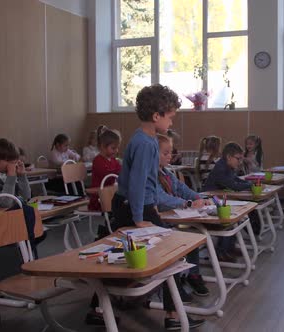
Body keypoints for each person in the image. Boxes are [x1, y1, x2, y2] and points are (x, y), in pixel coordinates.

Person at [110, 84, 205, 330]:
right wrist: (140, 217)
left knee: (148, 255)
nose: (172, 123)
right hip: (135, 206)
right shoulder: (145, 143)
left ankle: (101, 308)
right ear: (156, 116)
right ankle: (173, 316)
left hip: (139, 205)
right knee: (160, 254)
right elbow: (138, 184)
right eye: (171, 117)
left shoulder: (148, 140)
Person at [156, 134, 210, 296]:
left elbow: (181, 188)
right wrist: (187, 204)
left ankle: (193, 274)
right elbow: (160, 199)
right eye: (165, 153)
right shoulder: (150, 174)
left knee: (191, 238)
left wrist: (198, 197)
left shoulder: (165, 172)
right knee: (179, 242)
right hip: (157, 222)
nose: (169, 156)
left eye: (170, 152)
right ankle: (175, 284)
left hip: (169, 218)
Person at [202, 142, 261, 262]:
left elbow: (236, 180)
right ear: (229, 157)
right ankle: (221, 252)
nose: (240, 162)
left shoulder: (227, 166)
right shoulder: (221, 168)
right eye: (238, 159)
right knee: (230, 218)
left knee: (236, 216)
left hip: (218, 198)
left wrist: (251, 184)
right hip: (210, 200)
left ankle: (229, 248)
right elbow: (233, 185)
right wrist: (250, 185)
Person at [88, 125, 121, 211]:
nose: (116, 151)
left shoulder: (113, 160)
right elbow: (107, 175)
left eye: (117, 148)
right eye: (113, 148)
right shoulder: (97, 161)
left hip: (110, 194)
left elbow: (120, 171)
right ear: (102, 146)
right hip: (99, 198)